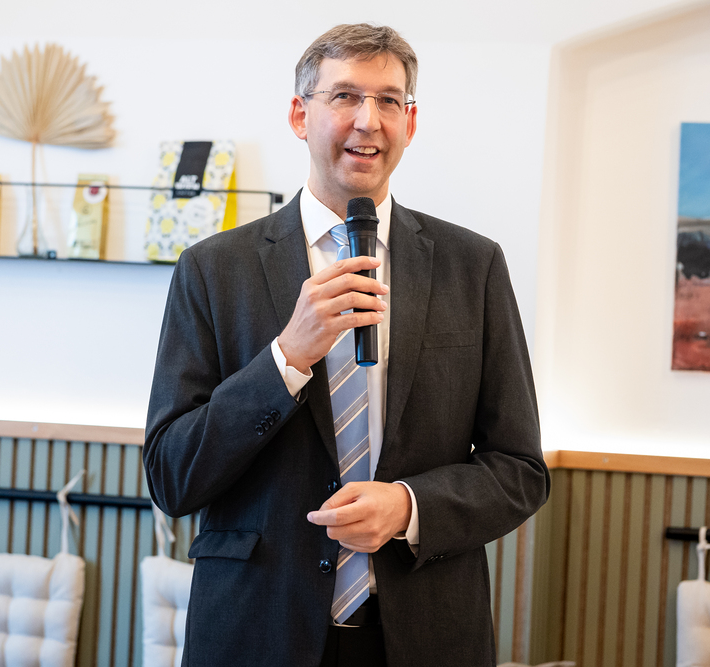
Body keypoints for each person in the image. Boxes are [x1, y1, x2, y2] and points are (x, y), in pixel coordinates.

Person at [143, 23, 549, 667]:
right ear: (299, 115)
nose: (369, 120)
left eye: (389, 100)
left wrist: (409, 506)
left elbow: (520, 470)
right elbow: (172, 475)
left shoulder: (473, 267)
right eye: (345, 96)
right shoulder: (213, 269)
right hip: (259, 630)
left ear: (409, 123)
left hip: (425, 634)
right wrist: (286, 360)